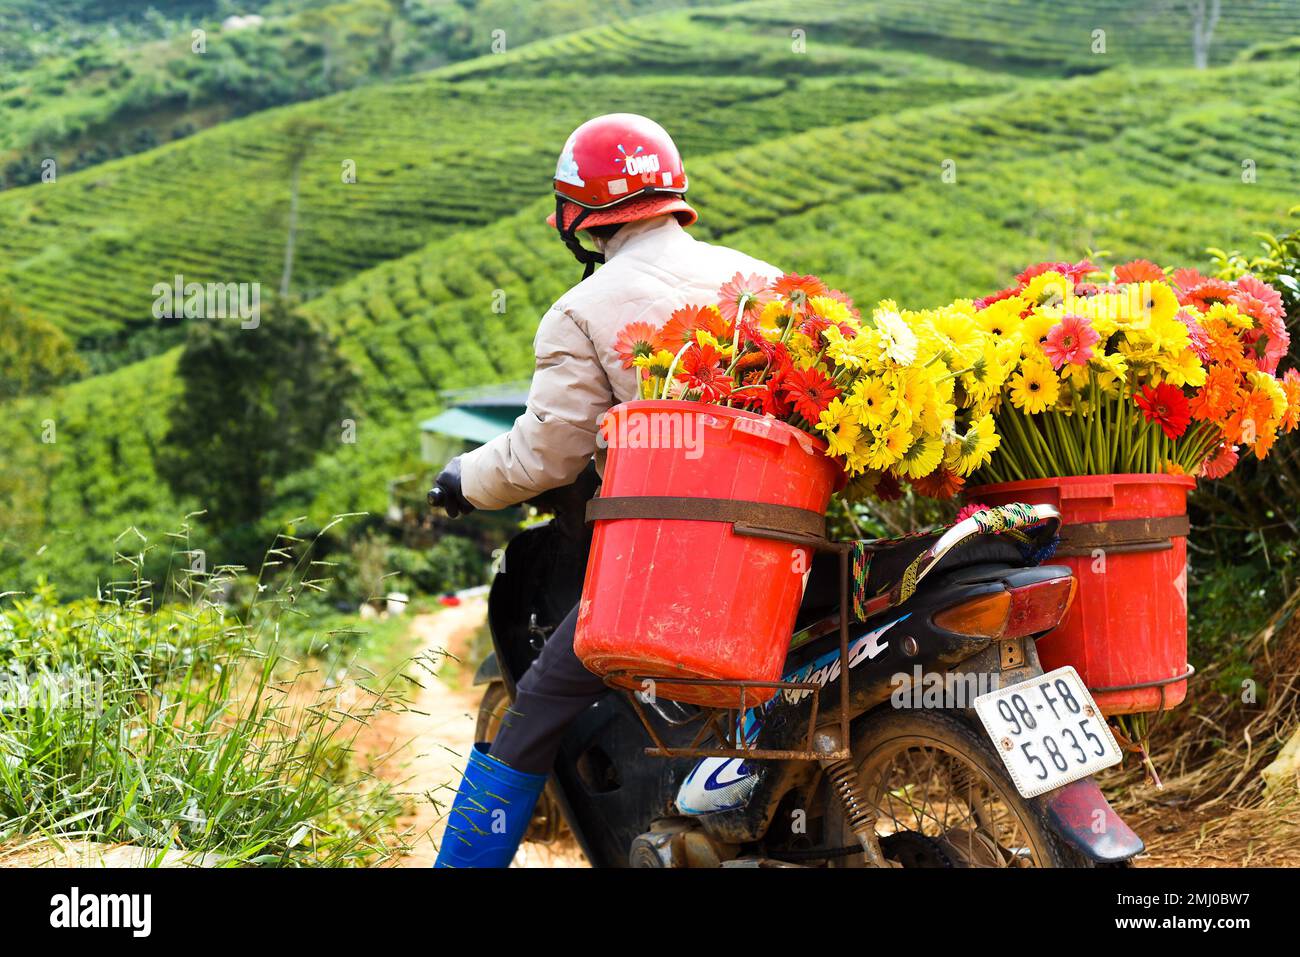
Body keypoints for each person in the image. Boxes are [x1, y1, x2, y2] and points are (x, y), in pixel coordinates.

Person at [431, 113, 779, 867]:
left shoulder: (583, 311)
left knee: (538, 708)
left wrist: (463, 479)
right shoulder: (762, 280)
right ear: (674, 193)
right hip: (788, 553)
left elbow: (545, 454)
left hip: (669, 569)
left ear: (575, 216)